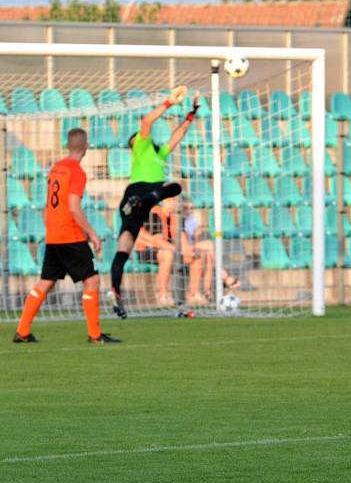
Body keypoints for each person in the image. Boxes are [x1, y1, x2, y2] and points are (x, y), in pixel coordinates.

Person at [13, 128, 121, 344]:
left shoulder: (56, 168)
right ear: (86, 146)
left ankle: (22, 331)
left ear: (68, 145)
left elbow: (56, 203)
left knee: (46, 282)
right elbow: (73, 207)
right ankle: (95, 334)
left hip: (53, 234)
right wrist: (91, 233)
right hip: (69, 235)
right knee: (92, 280)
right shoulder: (77, 172)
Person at [108, 86, 199, 318]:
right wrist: (168, 103)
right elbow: (147, 120)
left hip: (140, 202)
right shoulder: (142, 145)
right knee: (174, 187)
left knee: (124, 246)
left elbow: (177, 135)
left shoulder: (160, 155)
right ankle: (147, 199)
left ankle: (115, 293)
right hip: (140, 192)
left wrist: (192, 112)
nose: (143, 137)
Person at [182, 200, 240, 305]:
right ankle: (224, 275)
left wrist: (196, 234)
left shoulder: (191, 219)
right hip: (182, 249)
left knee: (208, 256)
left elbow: (194, 239)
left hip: (193, 247)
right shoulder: (178, 220)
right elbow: (182, 240)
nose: (188, 211)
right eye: (186, 208)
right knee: (209, 244)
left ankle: (207, 292)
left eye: (191, 208)